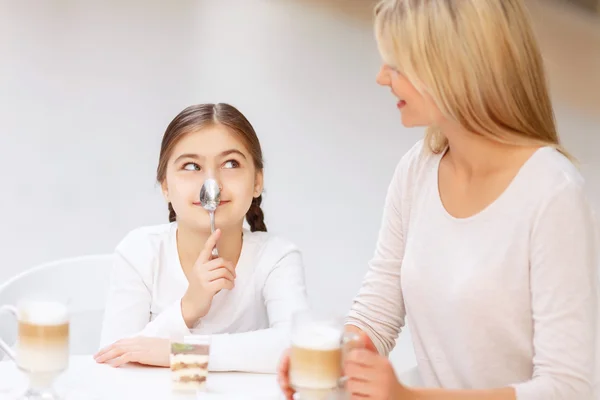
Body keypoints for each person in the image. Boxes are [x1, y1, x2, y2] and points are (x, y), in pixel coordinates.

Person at [278, 0, 599, 398]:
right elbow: (377, 312)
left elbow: (566, 388)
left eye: (395, 65)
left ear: (450, 70)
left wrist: (408, 397)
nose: (380, 77)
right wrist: (336, 354)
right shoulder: (418, 169)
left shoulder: (552, 193)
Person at [94, 103, 308, 373]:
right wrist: (188, 307)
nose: (212, 183)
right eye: (191, 166)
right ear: (165, 186)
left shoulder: (277, 256)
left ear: (257, 182)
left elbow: (298, 348)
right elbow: (114, 360)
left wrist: (180, 352)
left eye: (231, 164)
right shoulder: (139, 252)